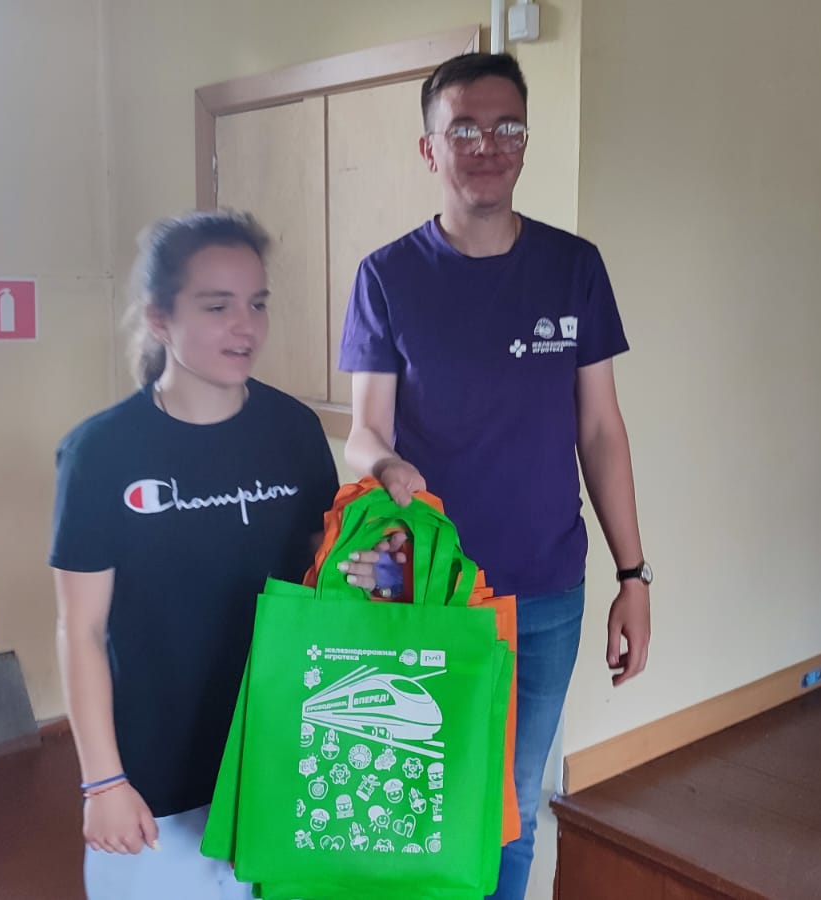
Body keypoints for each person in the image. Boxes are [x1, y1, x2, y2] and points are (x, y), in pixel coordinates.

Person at [339, 52, 655, 900]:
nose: (488, 145)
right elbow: (363, 432)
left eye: (507, 126)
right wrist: (386, 464)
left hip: (547, 589)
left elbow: (601, 429)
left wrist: (633, 575)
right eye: (464, 129)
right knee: (425, 795)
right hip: (426, 586)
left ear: (526, 140)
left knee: (513, 806)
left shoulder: (574, 268)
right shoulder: (387, 276)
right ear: (428, 148)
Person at [50, 210, 343, 899]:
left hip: (281, 759)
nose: (246, 326)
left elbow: (323, 581)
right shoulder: (101, 452)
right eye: (217, 306)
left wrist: (375, 563)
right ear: (160, 318)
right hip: (157, 782)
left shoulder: (294, 432)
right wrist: (103, 782)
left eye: (257, 304)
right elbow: (81, 630)